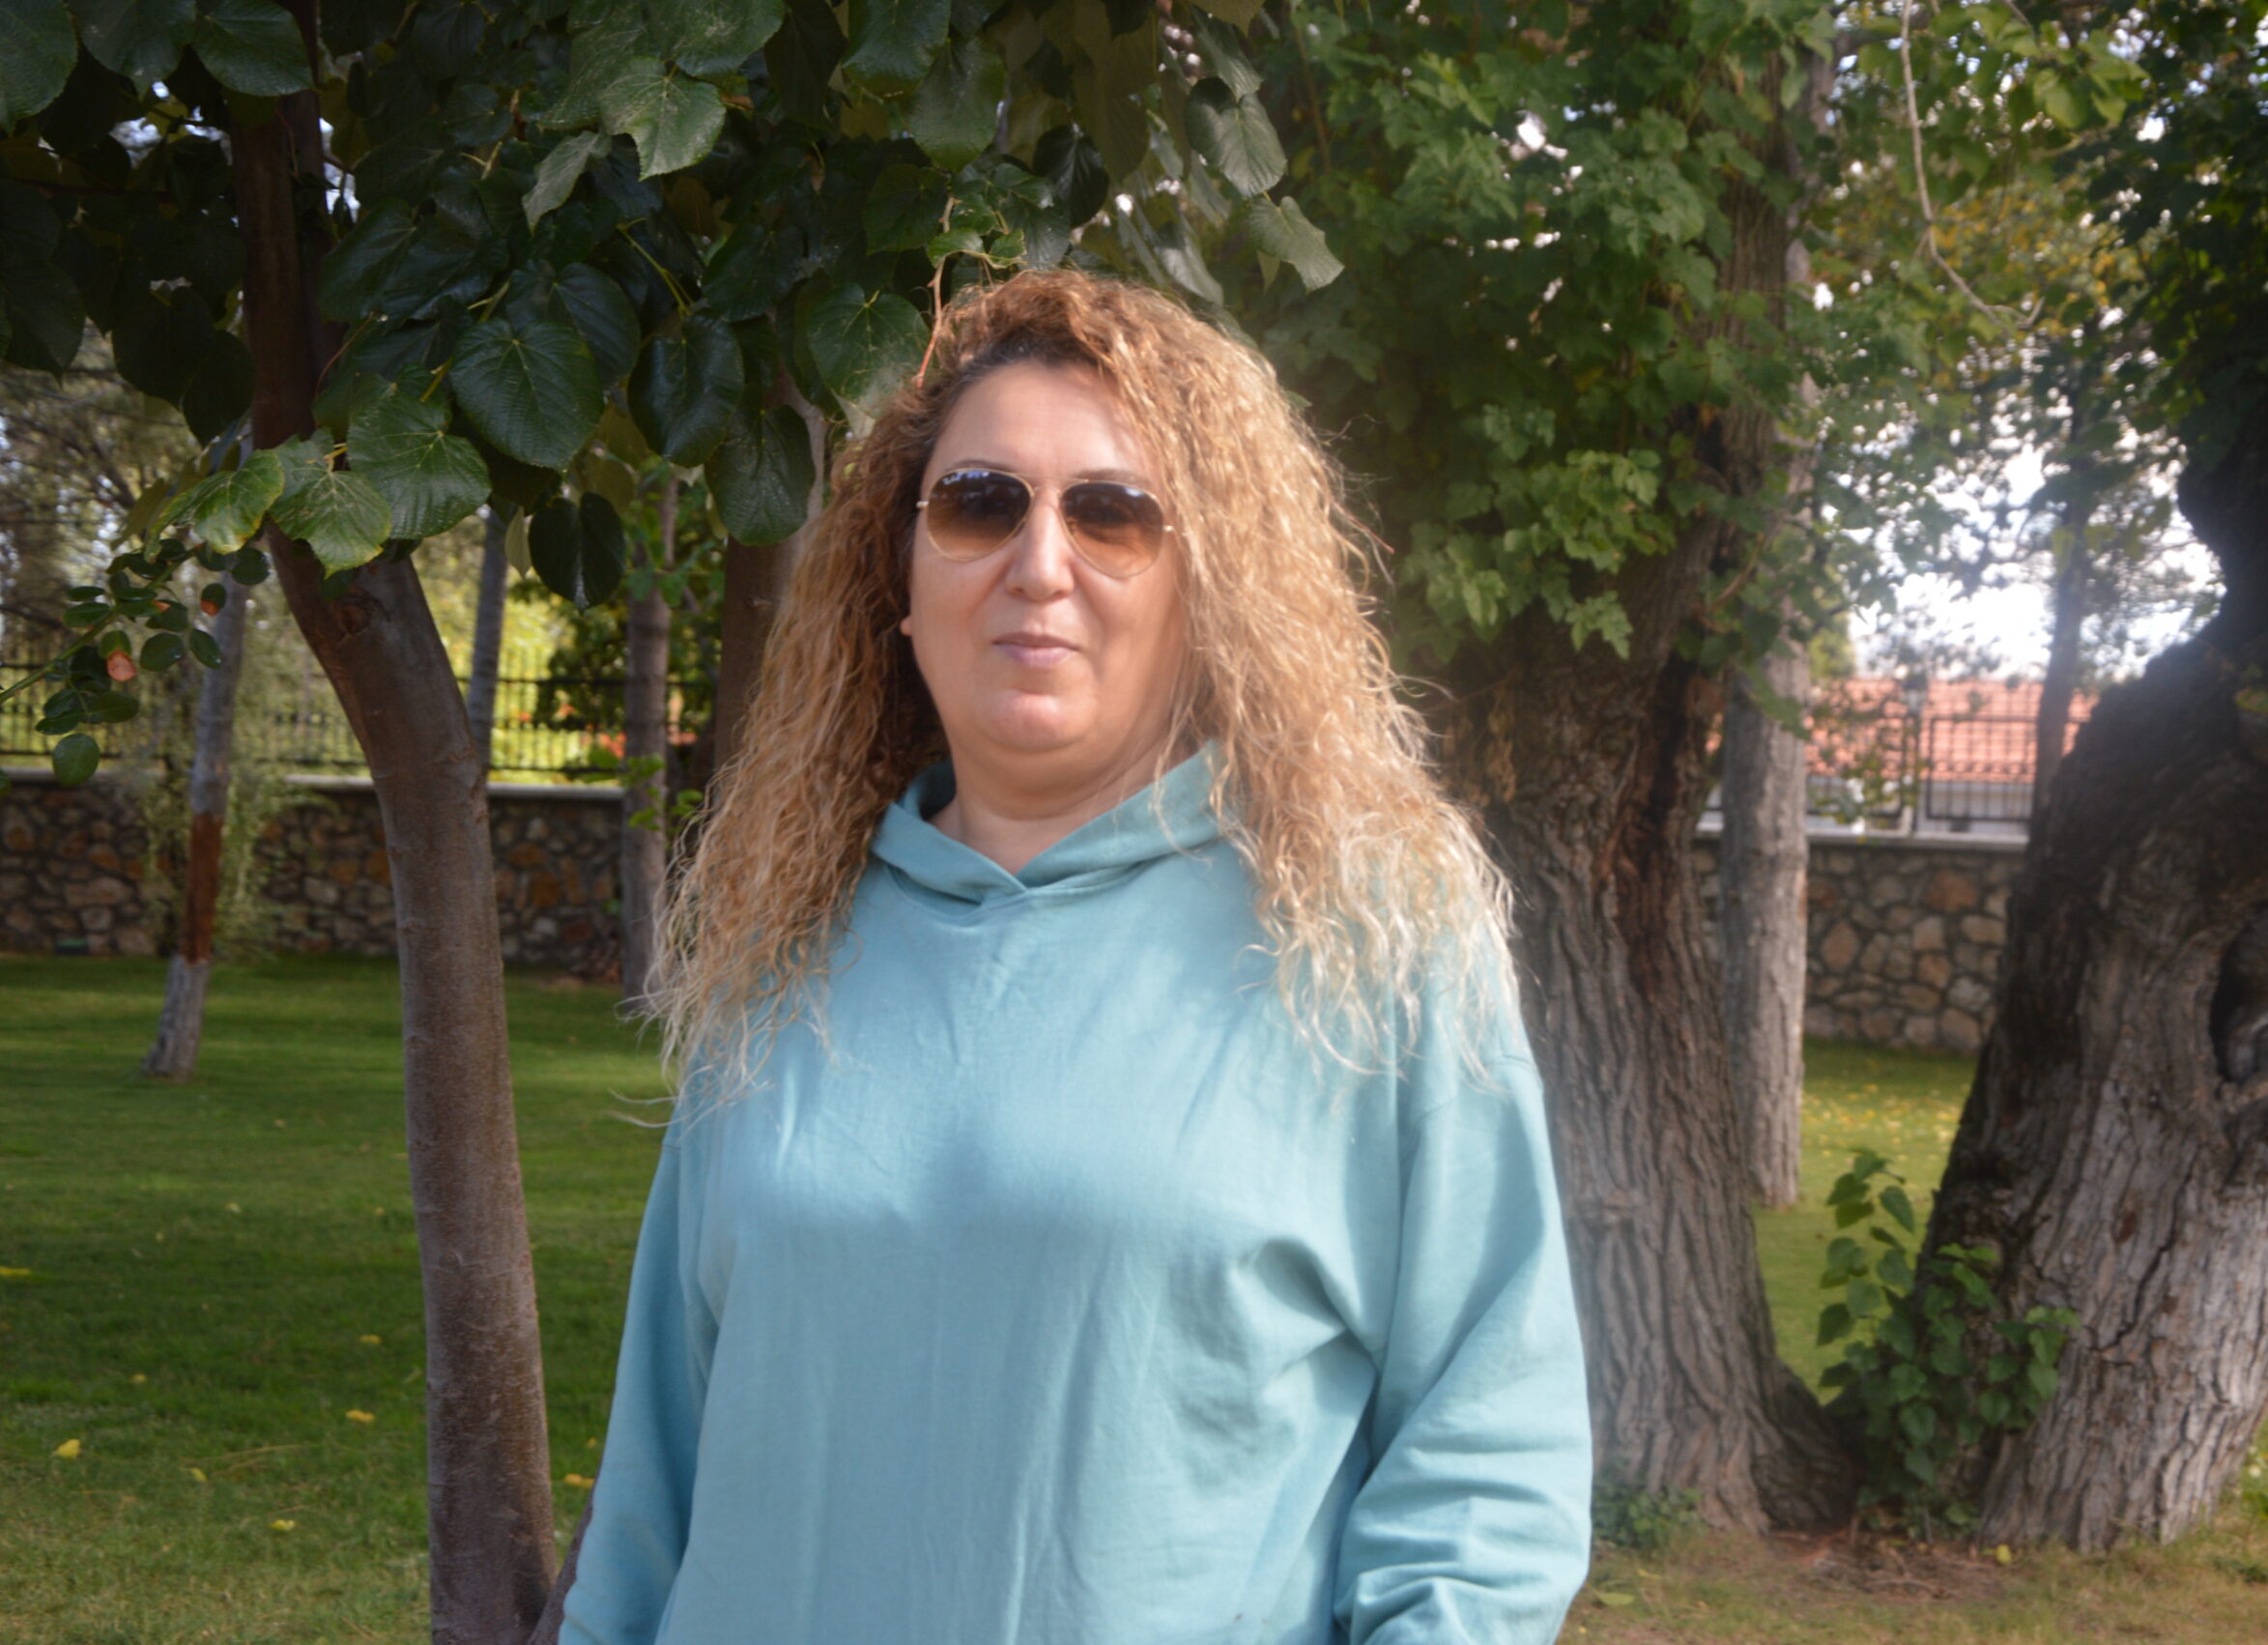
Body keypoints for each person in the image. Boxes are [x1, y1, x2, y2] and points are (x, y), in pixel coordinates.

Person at [558, 270, 1594, 1644]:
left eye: (1114, 513)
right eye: (980, 503)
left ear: (1205, 585)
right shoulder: (783, 938)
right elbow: (657, 1470)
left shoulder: (1365, 935)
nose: (1039, 563)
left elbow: (1487, 1454)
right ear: (900, 578)